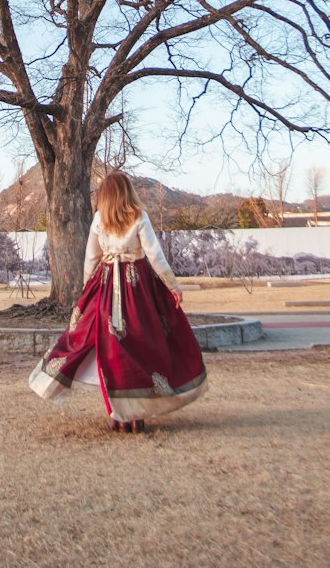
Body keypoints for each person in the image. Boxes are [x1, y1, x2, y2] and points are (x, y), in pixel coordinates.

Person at [29, 170, 207, 431]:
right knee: (141, 346)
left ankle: (116, 413)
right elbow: (155, 256)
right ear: (127, 192)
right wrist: (173, 286)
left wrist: (86, 289)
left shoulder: (100, 219)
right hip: (138, 290)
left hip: (104, 286)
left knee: (109, 350)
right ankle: (135, 414)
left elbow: (91, 257)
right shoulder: (138, 216)